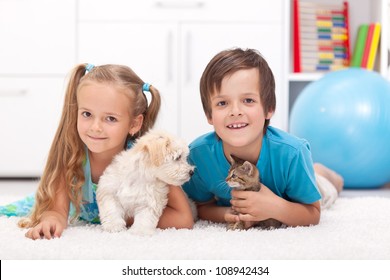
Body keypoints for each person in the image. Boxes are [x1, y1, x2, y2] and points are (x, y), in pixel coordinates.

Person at [1, 63, 194, 239]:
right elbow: (58, 211)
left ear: (134, 124)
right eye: (87, 114)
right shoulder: (73, 158)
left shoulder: (147, 161)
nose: (95, 127)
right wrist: (51, 220)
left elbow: (183, 218)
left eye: (110, 118)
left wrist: (120, 214)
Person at [182, 48, 343, 229]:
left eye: (248, 100)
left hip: (295, 194)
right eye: (222, 103)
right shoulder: (199, 155)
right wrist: (228, 214)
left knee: (325, 187)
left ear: (269, 109)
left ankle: (324, 174)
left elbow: (313, 214)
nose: (235, 111)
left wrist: (275, 207)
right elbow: (200, 206)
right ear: (209, 115)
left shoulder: (292, 154)